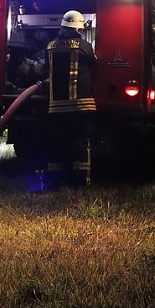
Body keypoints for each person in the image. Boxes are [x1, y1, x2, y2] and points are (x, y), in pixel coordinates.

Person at [42, 10, 97, 187]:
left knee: (57, 142)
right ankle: (80, 181)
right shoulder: (84, 46)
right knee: (80, 142)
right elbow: (94, 65)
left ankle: (56, 180)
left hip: (56, 106)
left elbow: (46, 68)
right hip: (81, 105)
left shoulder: (50, 46)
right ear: (79, 28)